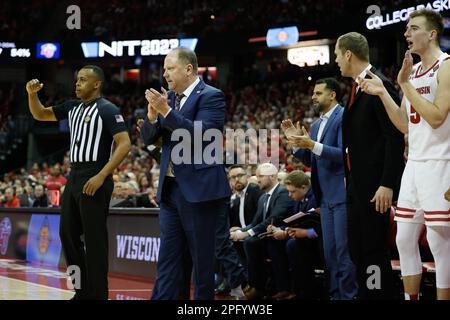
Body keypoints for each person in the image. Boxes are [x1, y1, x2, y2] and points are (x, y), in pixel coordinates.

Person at [359, 9, 450, 300]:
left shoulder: (446, 67)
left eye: (413, 29)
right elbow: (403, 125)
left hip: (440, 163)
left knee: (439, 242)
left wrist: (405, 85)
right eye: (406, 29)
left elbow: (436, 117)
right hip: (413, 164)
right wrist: (384, 93)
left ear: (432, 34)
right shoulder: (414, 72)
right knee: (404, 237)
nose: (407, 34)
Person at [26, 65, 131, 300]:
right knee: (67, 235)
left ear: (97, 84)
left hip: (96, 174)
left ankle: (98, 295)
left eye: (83, 80)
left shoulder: (108, 109)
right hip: (74, 176)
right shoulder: (72, 107)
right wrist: (32, 95)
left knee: (95, 241)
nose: (77, 84)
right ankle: (82, 290)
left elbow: (124, 143)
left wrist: (102, 175)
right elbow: (40, 114)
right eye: (77, 80)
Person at [140, 47, 231, 300]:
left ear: (188, 69)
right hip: (170, 191)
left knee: (202, 263)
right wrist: (151, 115)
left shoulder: (211, 96)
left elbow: (204, 135)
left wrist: (166, 111)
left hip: (200, 191)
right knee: (168, 259)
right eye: (164, 69)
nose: (165, 74)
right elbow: (148, 139)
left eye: (170, 68)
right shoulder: (170, 98)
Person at [335, 32, 405, 299]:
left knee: (373, 251)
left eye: (338, 55)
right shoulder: (356, 86)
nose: (337, 61)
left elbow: (394, 137)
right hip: (357, 185)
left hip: (376, 187)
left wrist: (387, 183)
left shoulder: (380, 84)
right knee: (358, 250)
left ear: (349, 54)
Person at [282, 77, 358, 300]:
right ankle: (334, 296)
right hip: (324, 198)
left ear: (332, 95)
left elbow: (345, 155)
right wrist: (296, 144)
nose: (313, 97)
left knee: (344, 254)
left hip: (342, 195)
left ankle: (348, 296)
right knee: (330, 255)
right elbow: (311, 159)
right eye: (313, 93)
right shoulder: (315, 125)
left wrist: (312, 144)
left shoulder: (344, 117)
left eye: (318, 93)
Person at [229, 163, 294, 300]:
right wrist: (240, 231)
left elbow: (273, 219)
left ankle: (270, 287)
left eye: (260, 176)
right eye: (257, 176)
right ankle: (253, 284)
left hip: (283, 234)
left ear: (272, 176)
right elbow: (255, 223)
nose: (257, 179)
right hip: (268, 234)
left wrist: (247, 233)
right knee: (242, 241)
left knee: (251, 241)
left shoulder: (282, 193)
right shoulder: (264, 197)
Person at [266, 170, 318, 300]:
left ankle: (303, 292)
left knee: (293, 245)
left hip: (315, 239)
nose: (289, 195)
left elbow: (319, 230)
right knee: (272, 242)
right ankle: (284, 288)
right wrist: (279, 228)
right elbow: (295, 221)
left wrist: (290, 233)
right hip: (302, 237)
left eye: (292, 191)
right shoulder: (299, 199)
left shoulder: (315, 199)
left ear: (304, 187)